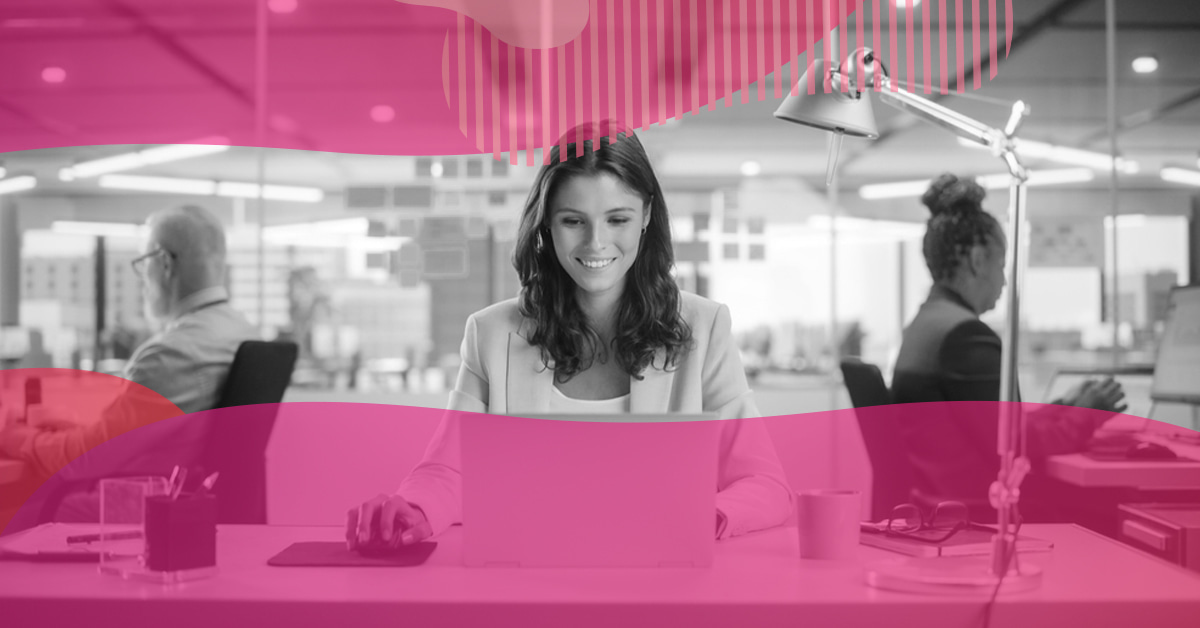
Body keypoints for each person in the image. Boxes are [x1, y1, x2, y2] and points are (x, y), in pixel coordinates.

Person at [347, 122, 793, 549]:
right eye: (573, 221)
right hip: (529, 575)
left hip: (662, 575)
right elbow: (448, 470)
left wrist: (702, 519)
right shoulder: (491, 333)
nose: (595, 244)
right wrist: (414, 510)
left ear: (646, 216)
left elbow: (764, 484)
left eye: (617, 219)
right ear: (546, 223)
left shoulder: (703, 326)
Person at [0, 205, 260, 520]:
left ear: (163, 263)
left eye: (142, 263)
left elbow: (82, 461)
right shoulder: (240, 331)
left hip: (138, 508)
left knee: (19, 509)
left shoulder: (171, 353)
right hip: (185, 502)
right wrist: (66, 430)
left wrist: (15, 436)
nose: (142, 279)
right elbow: (147, 433)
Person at [891, 174, 1126, 521]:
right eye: (1001, 265)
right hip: (981, 514)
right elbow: (1015, 445)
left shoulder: (927, 325)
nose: (1003, 281)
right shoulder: (965, 336)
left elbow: (996, 424)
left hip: (940, 505)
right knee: (1117, 508)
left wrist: (1065, 407)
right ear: (977, 259)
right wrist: (1086, 416)